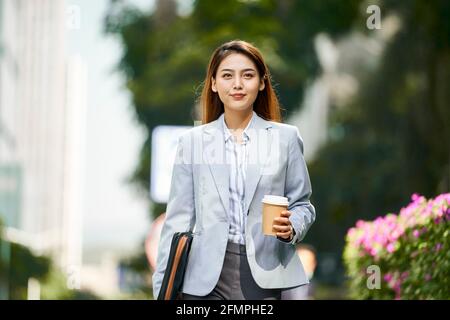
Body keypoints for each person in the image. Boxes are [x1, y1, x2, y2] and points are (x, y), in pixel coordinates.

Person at [152, 40, 316, 300]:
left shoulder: (285, 139)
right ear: (214, 84)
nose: (237, 84)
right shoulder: (192, 143)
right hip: (203, 279)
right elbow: (177, 222)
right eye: (227, 75)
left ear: (261, 83)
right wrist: (162, 288)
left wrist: (291, 227)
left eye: (248, 75)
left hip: (265, 274)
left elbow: (303, 205)